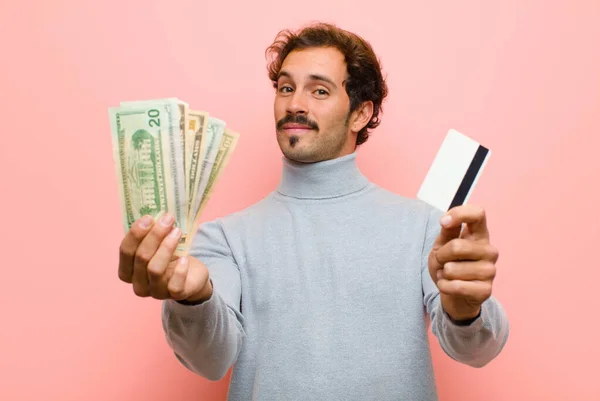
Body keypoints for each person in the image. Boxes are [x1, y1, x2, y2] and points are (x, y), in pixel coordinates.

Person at [117, 22, 509, 401]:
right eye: (285, 87)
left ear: (360, 113)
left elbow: (478, 351)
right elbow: (209, 361)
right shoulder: (224, 239)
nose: (294, 104)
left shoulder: (424, 226)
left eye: (319, 91)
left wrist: (465, 309)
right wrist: (194, 299)